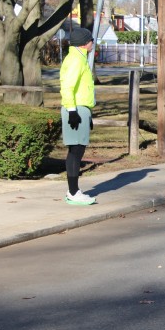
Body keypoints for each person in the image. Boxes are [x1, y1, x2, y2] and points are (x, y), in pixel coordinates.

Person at [60, 26, 97, 205]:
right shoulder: (76, 60)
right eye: (90, 40)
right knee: (75, 151)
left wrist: (87, 114)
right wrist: (72, 111)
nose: (92, 43)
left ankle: (73, 191)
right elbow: (68, 86)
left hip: (81, 109)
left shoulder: (79, 58)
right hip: (75, 109)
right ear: (84, 43)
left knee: (78, 149)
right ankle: (73, 192)